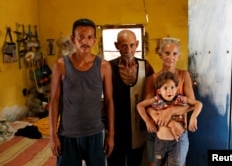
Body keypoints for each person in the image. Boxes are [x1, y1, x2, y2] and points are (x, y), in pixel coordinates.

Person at [49, 18, 114, 166]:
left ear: (95, 41)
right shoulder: (61, 65)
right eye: (81, 37)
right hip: (67, 135)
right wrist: (53, 135)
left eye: (90, 37)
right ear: (73, 39)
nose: (85, 41)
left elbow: (109, 101)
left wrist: (111, 134)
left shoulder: (104, 66)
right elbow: (54, 100)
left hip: (95, 134)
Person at [137, 37, 196, 166]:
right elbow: (148, 107)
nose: (171, 57)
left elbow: (192, 104)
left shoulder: (183, 75)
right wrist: (168, 122)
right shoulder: (152, 79)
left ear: (179, 56)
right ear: (160, 55)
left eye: (175, 54)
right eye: (167, 53)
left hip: (178, 134)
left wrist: (171, 111)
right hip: (158, 131)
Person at [107, 29, 154, 166]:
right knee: (115, 161)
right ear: (117, 46)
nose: (128, 50)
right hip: (116, 126)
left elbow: (155, 93)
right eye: (124, 46)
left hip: (138, 125)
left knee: (136, 161)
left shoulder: (145, 66)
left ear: (137, 44)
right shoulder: (108, 67)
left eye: (132, 45)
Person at [137, 71, 202, 166]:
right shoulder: (156, 100)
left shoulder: (180, 99)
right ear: (159, 91)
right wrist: (147, 121)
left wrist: (193, 117)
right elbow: (140, 106)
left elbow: (198, 104)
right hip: (159, 142)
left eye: (172, 87)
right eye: (165, 88)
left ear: (176, 89)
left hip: (175, 143)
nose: (169, 91)